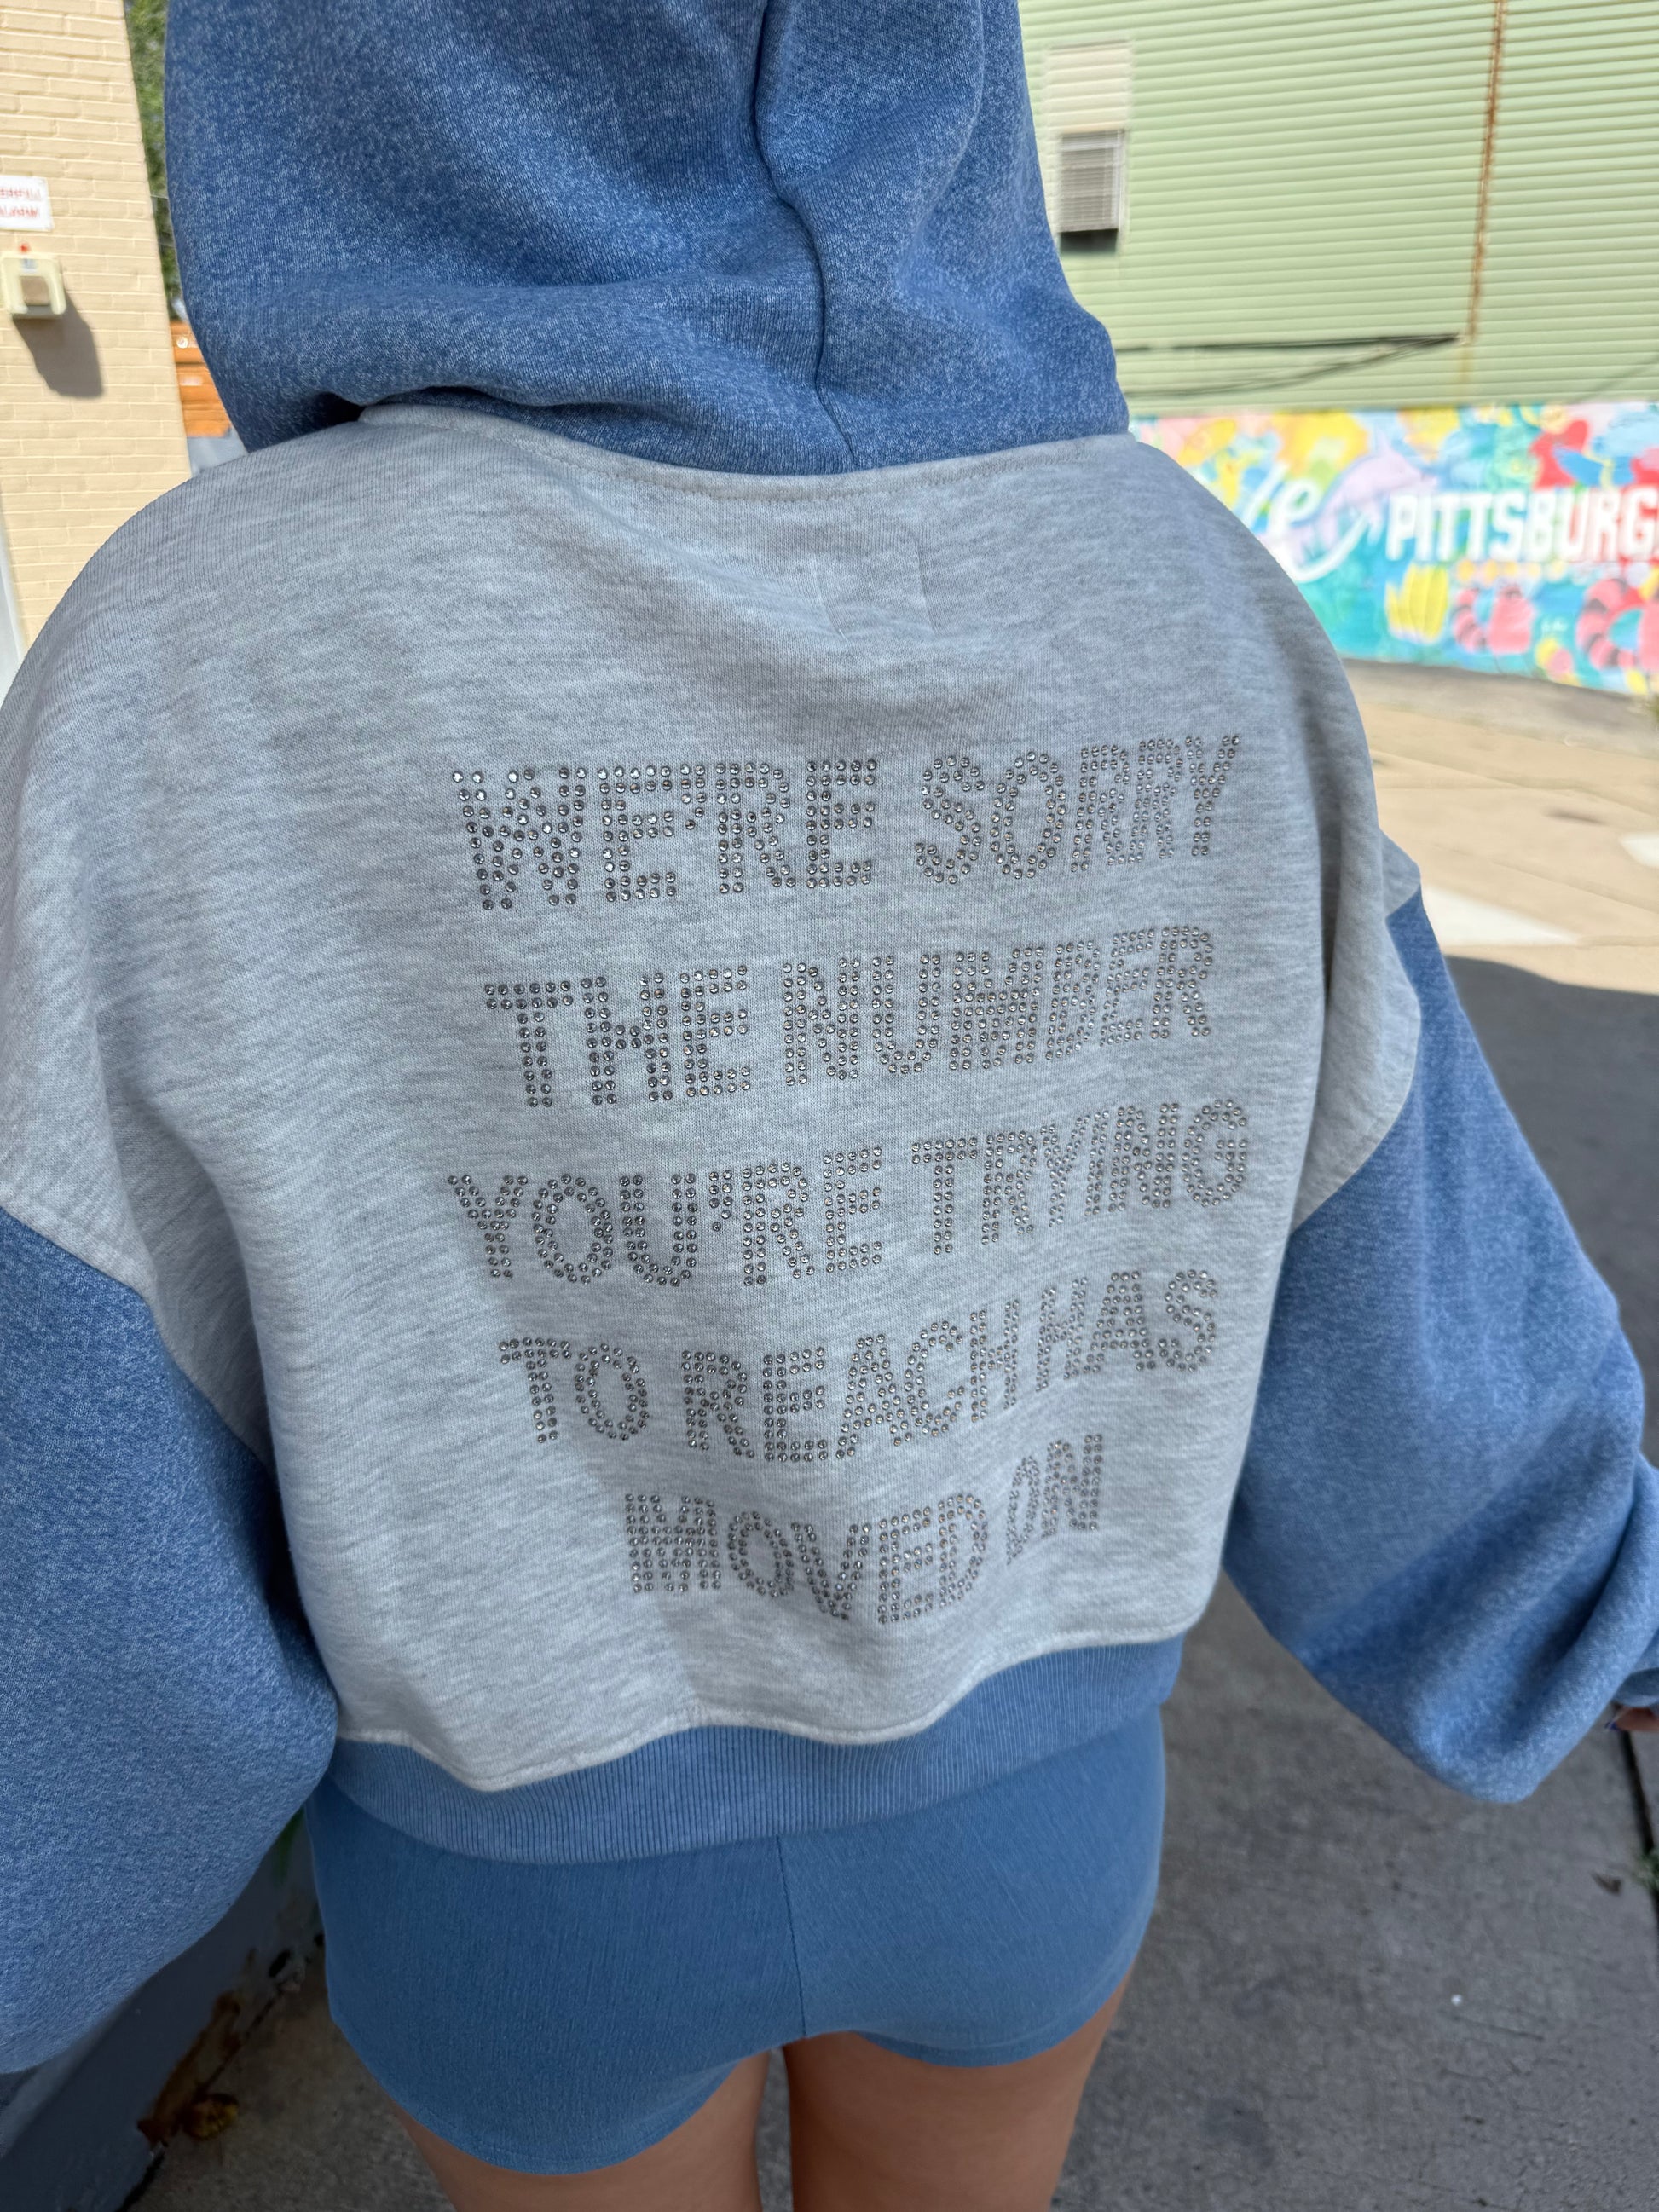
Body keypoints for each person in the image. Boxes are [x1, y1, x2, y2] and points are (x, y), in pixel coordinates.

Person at [2, 3, 1656, 2205]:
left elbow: (81, 1426)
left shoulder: (190, 658)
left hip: (522, 1886)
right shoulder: (1191, 598)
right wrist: (1594, 1598)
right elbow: (1394, 1252)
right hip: (1033, 1818)